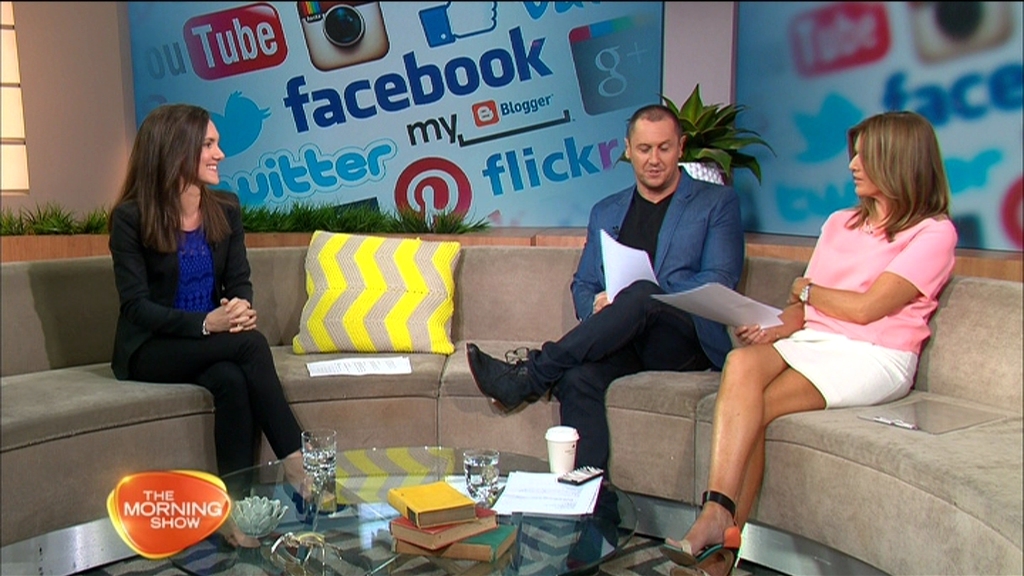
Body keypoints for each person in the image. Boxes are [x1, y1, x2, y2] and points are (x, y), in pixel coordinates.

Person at [663, 110, 957, 576]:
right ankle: (717, 513)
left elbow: (866, 309)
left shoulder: (933, 233)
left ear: (897, 160)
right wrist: (774, 325)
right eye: (854, 155)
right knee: (742, 364)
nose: (852, 165)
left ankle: (719, 553)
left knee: (757, 408)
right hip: (815, 338)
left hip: (874, 354)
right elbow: (804, 307)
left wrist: (808, 291)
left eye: (864, 156)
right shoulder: (840, 222)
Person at [466, 103, 745, 472]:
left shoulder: (716, 203)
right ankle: (589, 493)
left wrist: (642, 292)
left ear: (681, 147)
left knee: (642, 294)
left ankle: (531, 373)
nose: (654, 159)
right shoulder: (606, 211)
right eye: (644, 149)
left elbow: (719, 279)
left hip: (683, 339)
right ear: (628, 150)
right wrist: (596, 306)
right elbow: (583, 283)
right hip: (623, 340)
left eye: (664, 148)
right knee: (577, 378)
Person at [107, 104, 305, 505]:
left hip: (211, 341)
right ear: (176, 149)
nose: (220, 154)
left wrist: (240, 309)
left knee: (231, 379)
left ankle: (236, 510)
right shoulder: (131, 218)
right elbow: (136, 307)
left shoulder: (226, 208)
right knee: (252, 346)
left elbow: (239, 279)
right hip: (151, 347)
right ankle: (298, 465)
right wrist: (206, 324)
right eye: (209, 145)